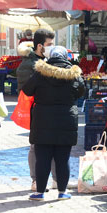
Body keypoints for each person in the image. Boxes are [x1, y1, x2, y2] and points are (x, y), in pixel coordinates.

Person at [22, 46, 85, 201]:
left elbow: (27, 90)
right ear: (66, 57)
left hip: (43, 119)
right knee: (63, 158)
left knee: (42, 157)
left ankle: (39, 192)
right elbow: (81, 92)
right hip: (66, 119)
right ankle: (62, 192)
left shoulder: (40, 72)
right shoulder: (73, 74)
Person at [17, 29, 57, 192]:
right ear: (40, 45)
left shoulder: (49, 60)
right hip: (37, 111)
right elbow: (25, 90)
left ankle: (56, 179)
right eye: (49, 44)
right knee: (36, 146)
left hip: (52, 109)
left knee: (56, 144)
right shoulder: (28, 64)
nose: (51, 47)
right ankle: (35, 180)